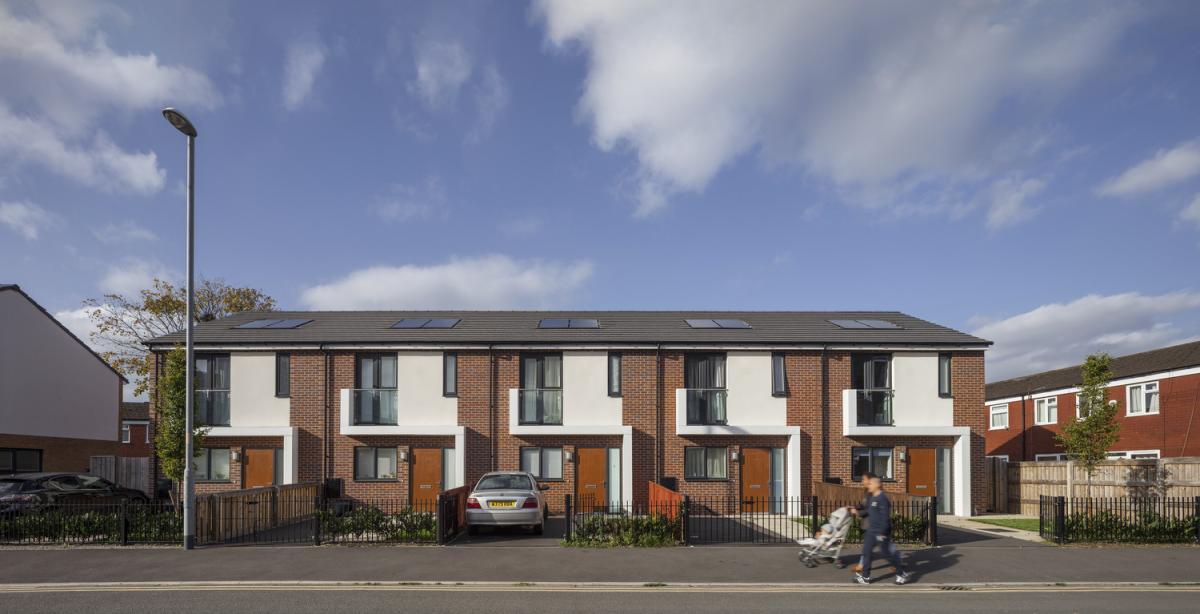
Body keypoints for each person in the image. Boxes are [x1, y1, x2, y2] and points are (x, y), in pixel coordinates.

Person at [852, 475, 911, 585]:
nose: (868, 485)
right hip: (871, 530)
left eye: (870, 484)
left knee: (886, 554)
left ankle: (901, 573)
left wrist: (882, 532)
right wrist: (857, 513)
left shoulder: (882, 499)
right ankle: (865, 577)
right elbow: (868, 512)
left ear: (877, 485)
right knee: (866, 552)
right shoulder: (872, 497)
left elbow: (885, 518)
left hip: (880, 531)